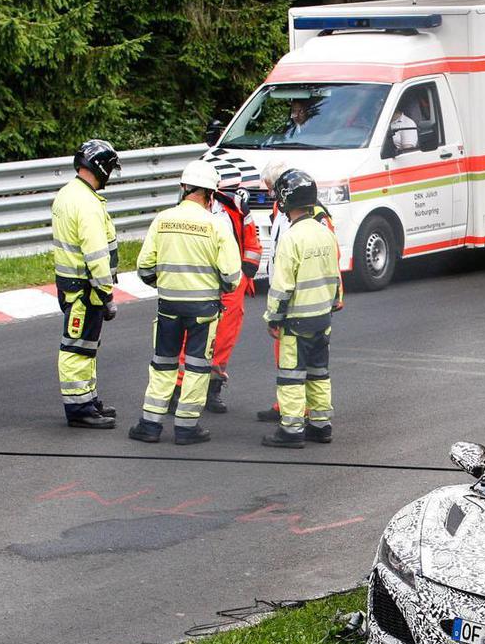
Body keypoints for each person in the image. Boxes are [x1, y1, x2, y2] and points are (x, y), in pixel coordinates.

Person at [128, 161, 241, 445]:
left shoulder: (162, 220)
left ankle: (150, 425)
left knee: (163, 363)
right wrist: (216, 288)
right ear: (211, 195)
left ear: (183, 188)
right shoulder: (216, 225)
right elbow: (231, 276)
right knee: (196, 367)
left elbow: (144, 268)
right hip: (203, 309)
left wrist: (165, 284)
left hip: (168, 306)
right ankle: (186, 427)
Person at [262, 169, 343, 449]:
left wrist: (273, 317)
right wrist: (331, 305)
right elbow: (335, 278)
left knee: (291, 378)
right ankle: (321, 425)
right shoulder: (325, 233)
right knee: (319, 373)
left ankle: (292, 429)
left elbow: (282, 286)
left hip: (296, 321)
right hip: (322, 318)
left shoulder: (292, 238)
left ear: (285, 200)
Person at [52, 139, 122, 429]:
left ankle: (88, 398)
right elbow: (96, 254)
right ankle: (79, 408)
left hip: (72, 285)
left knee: (87, 345)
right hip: (86, 289)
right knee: (77, 348)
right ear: (100, 167)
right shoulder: (87, 204)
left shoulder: (68, 194)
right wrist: (106, 294)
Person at [200, 182, 262, 413]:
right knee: (189, 336)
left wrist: (246, 274)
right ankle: (179, 388)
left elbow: (252, 242)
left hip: (232, 281)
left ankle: (213, 387)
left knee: (224, 336)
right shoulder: (184, 211)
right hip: (200, 281)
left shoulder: (235, 206)